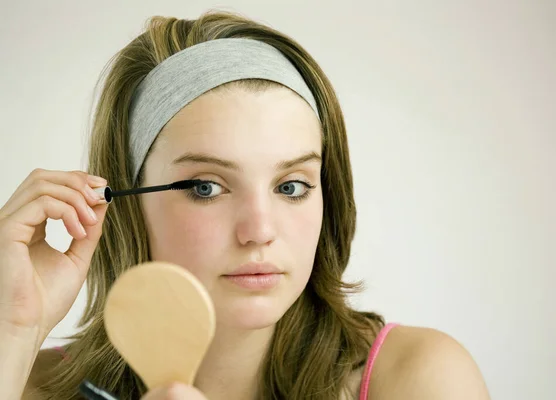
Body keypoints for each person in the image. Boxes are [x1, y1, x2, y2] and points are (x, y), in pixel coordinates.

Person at [0, 10, 491, 400]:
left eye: (292, 186)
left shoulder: (419, 380)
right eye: (206, 187)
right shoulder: (28, 384)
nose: (258, 231)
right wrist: (14, 330)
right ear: (126, 203)